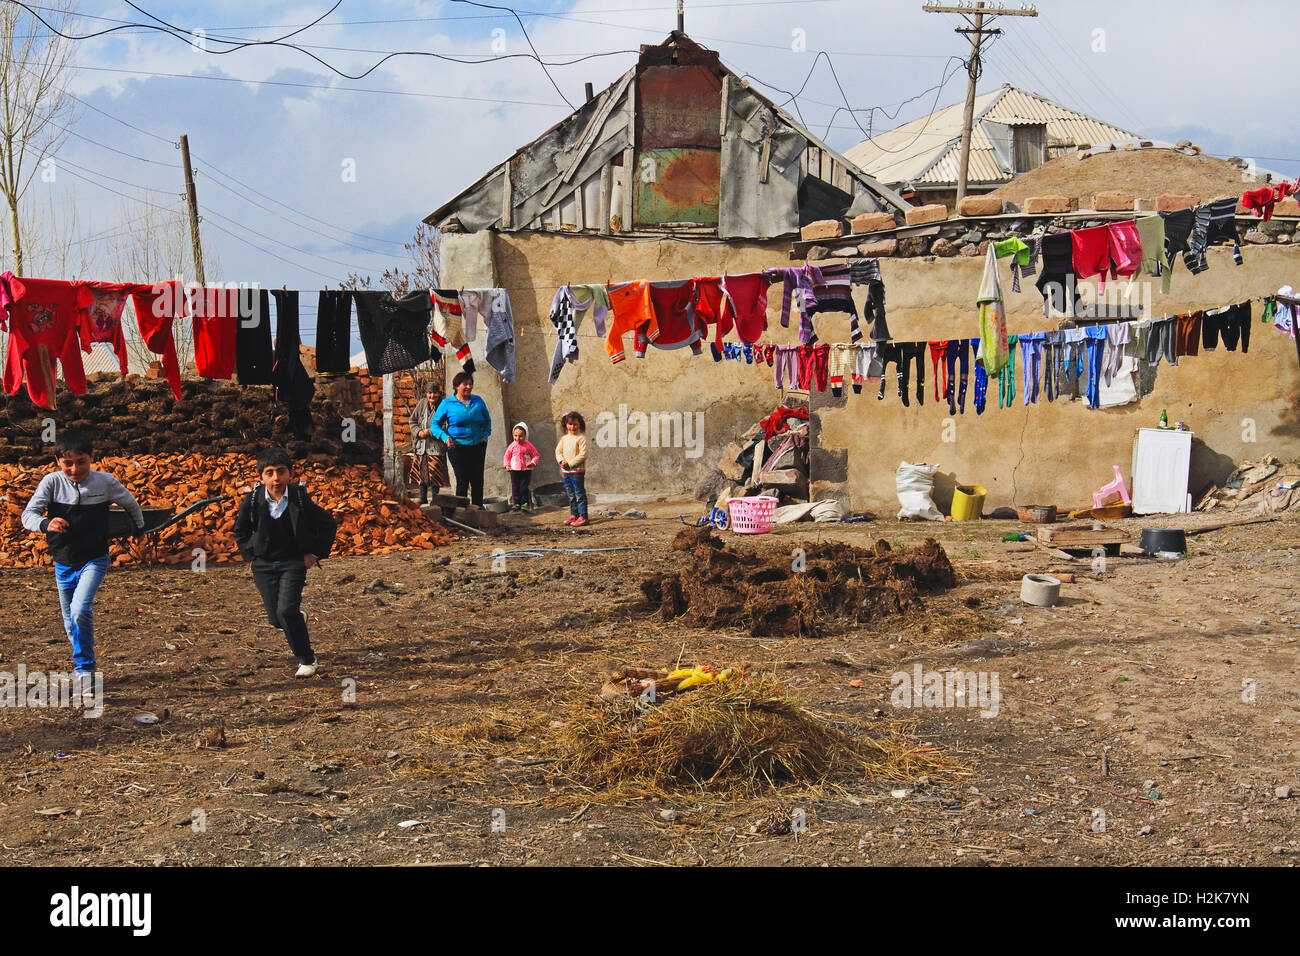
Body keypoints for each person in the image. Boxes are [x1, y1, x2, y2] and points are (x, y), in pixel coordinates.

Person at [21, 429, 146, 693]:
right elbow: (28, 515)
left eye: (81, 462)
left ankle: (85, 671)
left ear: (92, 458)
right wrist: (45, 523)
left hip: (94, 558)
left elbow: (131, 504)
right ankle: (83, 662)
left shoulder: (105, 482)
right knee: (69, 620)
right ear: (58, 462)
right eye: (68, 463)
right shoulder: (52, 483)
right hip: (63, 560)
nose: (75, 469)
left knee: (80, 610)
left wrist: (138, 530)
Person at [233, 448, 338, 678]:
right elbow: (240, 531)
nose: (276, 479)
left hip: (293, 562)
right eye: (269, 473)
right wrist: (250, 557)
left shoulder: (299, 498)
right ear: (261, 477)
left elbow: (328, 524)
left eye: (281, 472)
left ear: (290, 474)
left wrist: (315, 555)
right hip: (263, 565)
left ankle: (307, 658)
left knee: (287, 610)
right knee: (275, 618)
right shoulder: (252, 501)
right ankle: (296, 620)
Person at [430, 371, 492, 507]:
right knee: (462, 479)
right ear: (457, 386)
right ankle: (460, 512)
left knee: (477, 480)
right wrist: (445, 437)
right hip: (457, 447)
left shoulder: (478, 401)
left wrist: (486, 434)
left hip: (478, 445)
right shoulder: (447, 404)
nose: (469, 387)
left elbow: (487, 419)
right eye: (465, 384)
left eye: (471, 384)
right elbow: (434, 424)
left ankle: (477, 510)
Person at [409, 384, 446, 505]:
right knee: (422, 471)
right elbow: (412, 421)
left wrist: (429, 432)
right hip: (421, 446)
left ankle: (435, 499)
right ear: (426, 394)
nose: (432, 395)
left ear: (439, 394)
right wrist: (418, 432)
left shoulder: (443, 405)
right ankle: (422, 496)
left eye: (435, 393)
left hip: (436, 446)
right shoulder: (422, 403)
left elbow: (446, 425)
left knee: (435, 473)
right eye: (430, 393)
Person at [555, 411, 589, 527]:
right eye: (570, 424)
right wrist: (561, 461)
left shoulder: (581, 439)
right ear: (565, 425)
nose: (572, 427)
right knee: (571, 494)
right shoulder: (564, 439)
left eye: (575, 424)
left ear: (580, 424)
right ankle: (574, 514)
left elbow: (583, 455)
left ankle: (583, 516)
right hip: (566, 472)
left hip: (577, 472)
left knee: (579, 494)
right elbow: (558, 452)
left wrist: (570, 463)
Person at [502, 422, 540, 511]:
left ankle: (525, 503)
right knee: (515, 487)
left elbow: (536, 455)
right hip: (514, 470)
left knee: (523, 487)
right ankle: (516, 504)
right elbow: (506, 456)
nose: (517, 438)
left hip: (526, 470)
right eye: (515, 436)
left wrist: (533, 462)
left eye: (520, 436)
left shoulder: (528, 446)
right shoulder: (512, 446)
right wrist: (507, 465)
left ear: (526, 435)